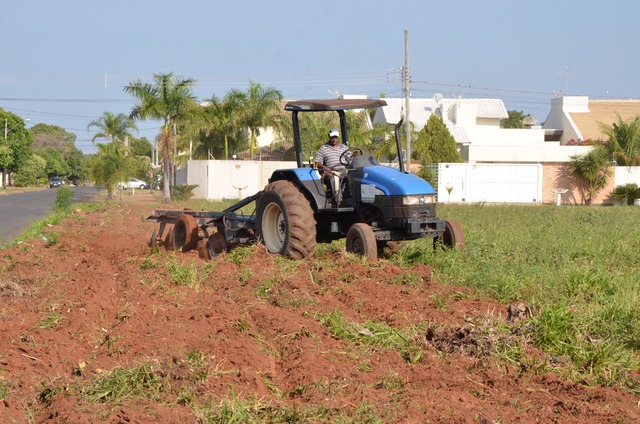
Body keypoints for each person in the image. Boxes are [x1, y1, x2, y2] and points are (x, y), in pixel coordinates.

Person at [315, 128, 350, 205]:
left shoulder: (344, 147)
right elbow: (318, 162)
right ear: (329, 137)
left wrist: (354, 155)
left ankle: (352, 196)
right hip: (331, 171)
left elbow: (350, 157)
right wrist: (325, 168)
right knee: (334, 177)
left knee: (354, 174)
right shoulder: (323, 148)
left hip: (343, 170)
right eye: (332, 137)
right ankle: (339, 200)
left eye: (335, 137)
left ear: (338, 137)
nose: (334, 139)